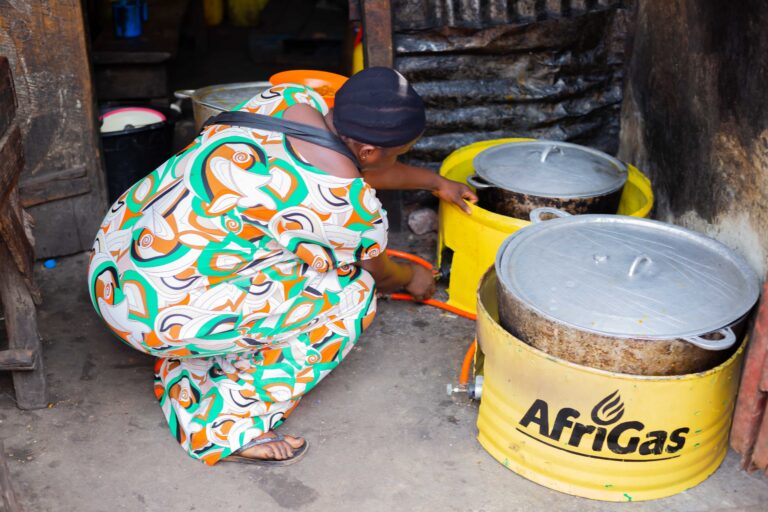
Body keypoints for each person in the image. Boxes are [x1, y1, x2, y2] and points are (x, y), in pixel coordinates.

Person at [87, 67, 477, 466]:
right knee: (353, 293)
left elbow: (357, 169)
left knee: (292, 256)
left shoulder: (287, 100)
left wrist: (435, 182)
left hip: (117, 264)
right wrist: (415, 278)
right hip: (151, 315)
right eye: (399, 152)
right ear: (369, 151)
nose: (397, 159)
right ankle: (224, 424)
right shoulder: (347, 205)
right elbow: (382, 271)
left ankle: (201, 355)